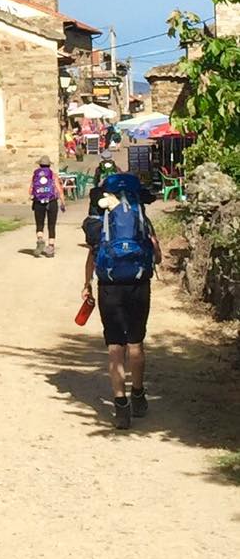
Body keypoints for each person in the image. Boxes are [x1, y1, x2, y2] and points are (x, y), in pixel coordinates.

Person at [81, 174, 161, 430]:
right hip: (138, 284)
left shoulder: (100, 222)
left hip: (109, 288)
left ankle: (120, 406)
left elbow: (93, 256)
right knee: (135, 344)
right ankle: (138, 395)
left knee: (115, 347)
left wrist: (87, 285)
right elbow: (157, 257)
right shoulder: (142, 219)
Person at [29, 155, 66, 258]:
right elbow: (59, 190)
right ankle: (50, 248)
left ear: (40, 165)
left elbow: (30, 190)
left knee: (39, 224)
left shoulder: (35, 175)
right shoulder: (53, 175)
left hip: (38, 202)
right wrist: (63, 203)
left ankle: (40, 239)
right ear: (49, 165)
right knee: (51, 225)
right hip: (51, 202)